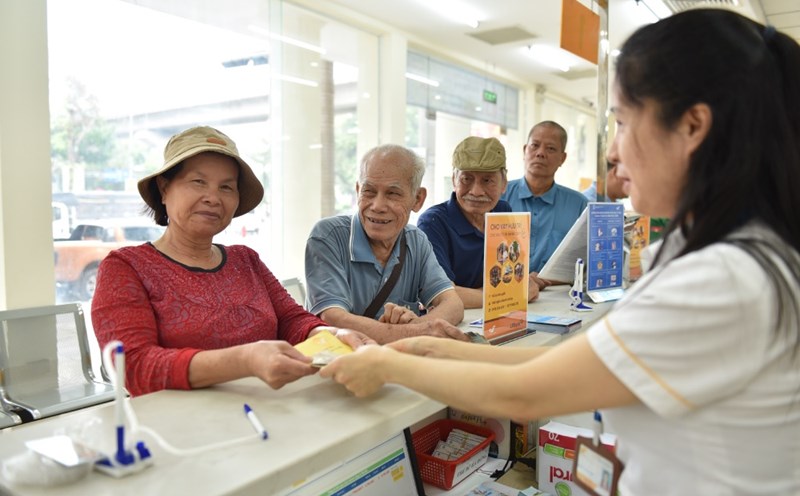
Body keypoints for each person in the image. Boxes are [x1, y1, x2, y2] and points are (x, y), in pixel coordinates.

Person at [320, 9, 800, 494]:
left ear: (693, 126)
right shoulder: (729, 256)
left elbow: (526, 393)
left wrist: (390, 365)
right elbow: (547, 369)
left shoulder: (722, 279)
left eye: (623, 123)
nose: (612, 153)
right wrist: (430, 347)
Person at [91, 126, 373, 396]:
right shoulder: (126, 267)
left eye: (226, 187)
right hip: (175, 423)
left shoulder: (245, 260)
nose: (213, 198)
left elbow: (292, 320)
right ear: (164, 188)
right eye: (198, 182)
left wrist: (330, 333)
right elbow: (133, 366)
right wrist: (244, 360)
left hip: (264, 410)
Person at [304, 144, 467, 344]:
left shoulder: (416, 240)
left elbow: (453, 304)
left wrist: (413, 326)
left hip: (397, 359)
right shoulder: (328, 236)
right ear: (358, 191)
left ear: (417, 199)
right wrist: (414, 332)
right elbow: (333, 319)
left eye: (392, 194)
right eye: (369, 192)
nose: (378, 206)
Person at [418, 136, 540, 309]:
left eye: (487, 180)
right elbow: (442, 294)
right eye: (466, 179)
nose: (476, 191)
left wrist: (518, 288)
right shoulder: (433, 222)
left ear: (504, 184)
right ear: (454, 180)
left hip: (494, 315)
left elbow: (514, 278)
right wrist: (512, 295)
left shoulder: (503, 211)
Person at [502, 121, 588, 290]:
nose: (540, 153)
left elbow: (584, 262)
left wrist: (544, 279)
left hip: (558, 295)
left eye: (550, 148)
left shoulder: (580, 205)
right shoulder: (499, 196)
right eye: (535, 145)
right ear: (525, 150)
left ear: (562, 158)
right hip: (505, 293)